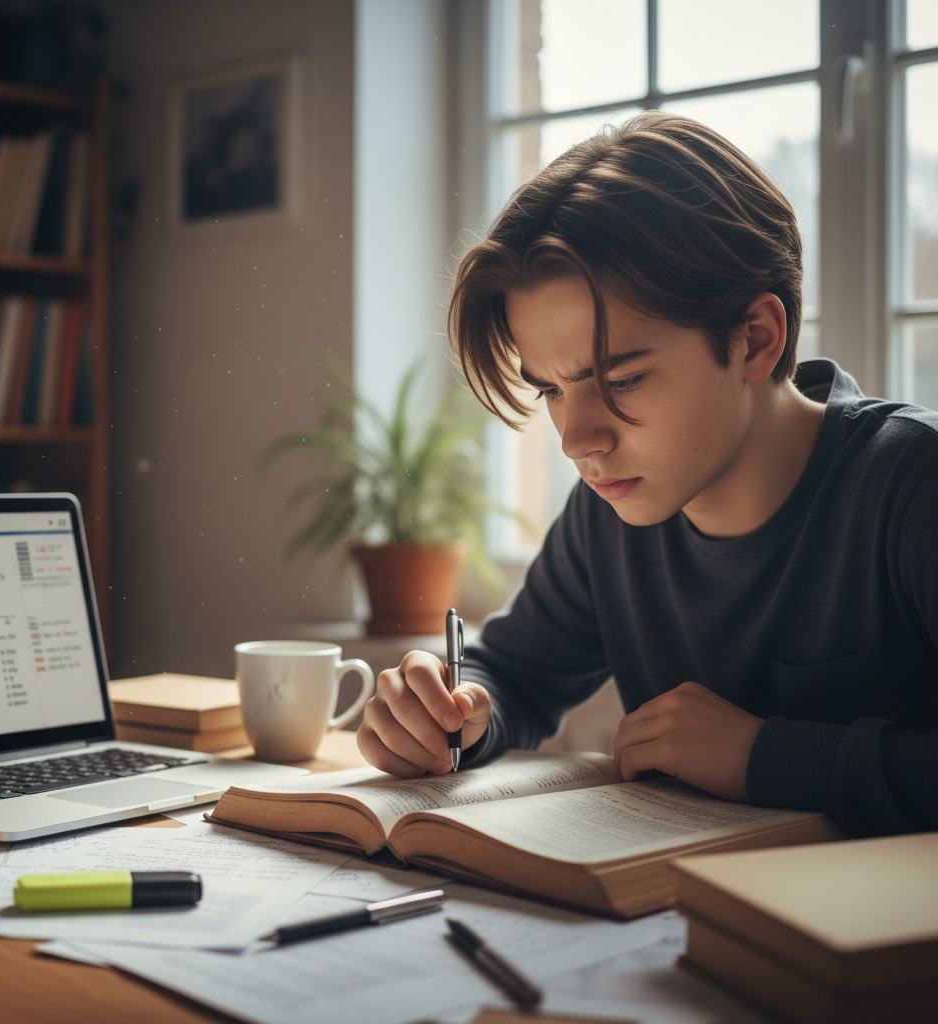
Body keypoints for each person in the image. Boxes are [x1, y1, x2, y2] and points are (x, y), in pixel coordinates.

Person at [356, 112, 937, 837]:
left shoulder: (913, 487)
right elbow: (515, 676)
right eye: (552, 390)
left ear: (756, 338)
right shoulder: (611, 510)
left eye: (621, 380)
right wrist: (454, 711)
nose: (576, 439)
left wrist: (763, 754)